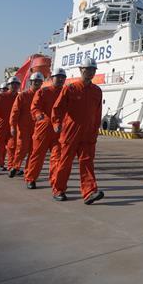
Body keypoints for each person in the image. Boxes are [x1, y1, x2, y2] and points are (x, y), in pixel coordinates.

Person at [51, 58, 104, 204]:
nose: (91, 72)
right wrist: (56, 123)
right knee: (65, 162)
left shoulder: (97, 91)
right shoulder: (70, 88)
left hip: (87, 134)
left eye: (93, 70)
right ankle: (58, 189)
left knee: (87, 162)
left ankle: (89, 192)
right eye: (88, 69)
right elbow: (57, 108)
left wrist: (95, 130)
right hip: (70, 132)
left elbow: (97, 113)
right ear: (81, 70)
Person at [24, 68, 66, 189]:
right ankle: (31, 178)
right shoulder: (43, 92)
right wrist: (39, 116)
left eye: (63, 78)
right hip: (43, 129)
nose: (60, 79)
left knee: (57, 158)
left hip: (58, 130)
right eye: (58, 77)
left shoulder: (66, 93)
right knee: (37, 155)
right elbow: (35, 107)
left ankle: (55, 183)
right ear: (52, 78)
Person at [8, 72, 44, 178]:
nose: (37, 83)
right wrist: (12, 126)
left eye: (39, 82)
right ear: (31, 82)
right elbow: (15, 112)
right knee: (22, 149)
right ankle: (15, 166)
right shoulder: (23, 95)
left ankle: (28, 173)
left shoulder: (43, 95)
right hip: (24, 128)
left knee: (34, 151)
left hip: (38, 128)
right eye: (35, 81)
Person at [0, 77, 21, 175]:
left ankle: (12, 167)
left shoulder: (19, 97)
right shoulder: (0, 96)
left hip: (13, 125)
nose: (15, 86)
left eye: (17, 84)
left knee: (13, 147)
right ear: (8, 85)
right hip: (1, 124)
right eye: (12, 84)